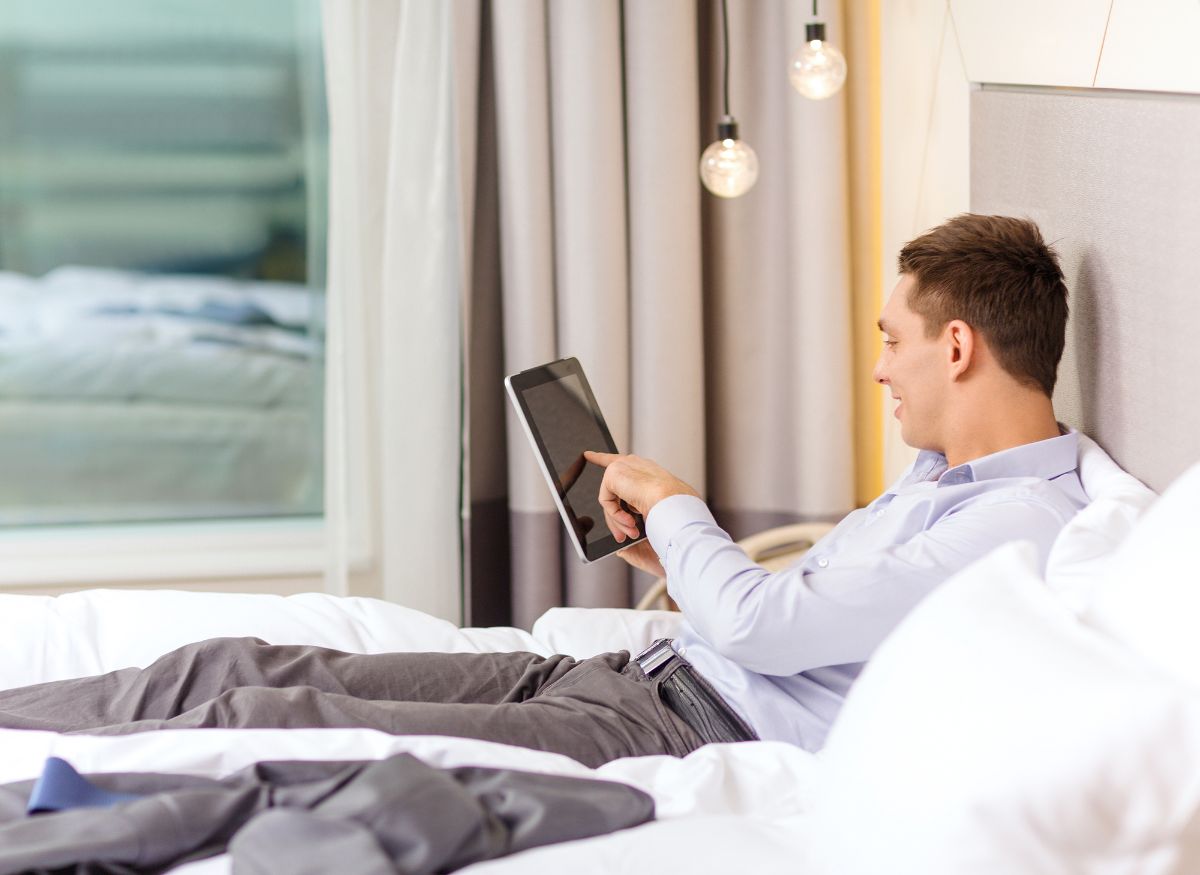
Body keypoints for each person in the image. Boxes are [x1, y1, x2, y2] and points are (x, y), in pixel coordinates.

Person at [0, 214, 1088, 768]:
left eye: (891, 340)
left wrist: (677, 504)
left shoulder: (1016, 526)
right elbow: (801, 614)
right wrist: (673, 565)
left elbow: (765, 628)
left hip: (676, 725)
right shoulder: (940, 479)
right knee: (235, 661)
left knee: (272, 717)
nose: (879, 365)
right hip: (635, 670)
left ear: (957, 346)